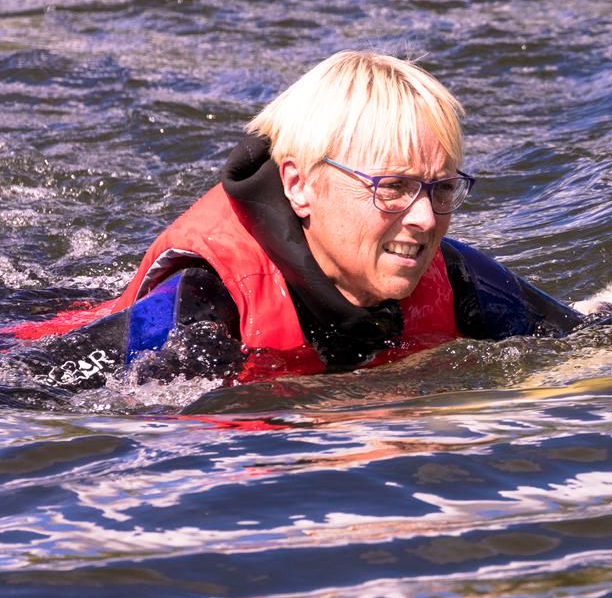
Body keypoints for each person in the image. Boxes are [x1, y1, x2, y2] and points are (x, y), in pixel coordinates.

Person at [3, 51, 581, 392]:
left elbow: (608, 343)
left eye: (442, 188)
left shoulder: (459, 282)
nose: (427, 219)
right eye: (394, 187)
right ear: (300, 185)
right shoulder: (204, 308)